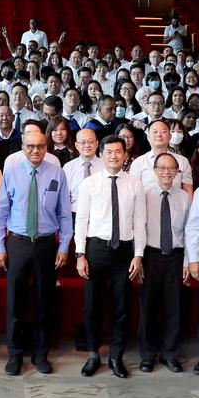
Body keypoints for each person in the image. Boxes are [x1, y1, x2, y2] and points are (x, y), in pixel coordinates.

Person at [0, 130, 73, 376]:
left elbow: (65, 214)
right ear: (23, 148)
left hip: (47, 245)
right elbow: (2, 213)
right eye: (30, 146)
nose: (35, 151)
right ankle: (15, 354)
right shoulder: (12, 172)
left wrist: (64, 246)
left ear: (46, 147)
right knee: (15, 303)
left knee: (43, 301)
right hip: (17, 243)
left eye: (40, 146)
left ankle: (41, 353)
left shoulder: (57, 173)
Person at [74, 135, 146, 379]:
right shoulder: (90, 183)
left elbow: (139, 220)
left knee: (122, 306)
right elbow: (81, 220)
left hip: (124, 251)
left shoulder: (134, 183)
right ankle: (93, 354)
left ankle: (116, 357)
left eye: (118, 151)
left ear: (125, 155)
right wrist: (80, 254)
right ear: (101, 154)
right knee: (91, 305)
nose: (114, 156)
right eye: (109, 152)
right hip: (96, 249)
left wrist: (138, 255)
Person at [136, 152, 191, 374]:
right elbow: (138, 227)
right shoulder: (145, 195)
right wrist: (138, 257)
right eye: (162, 168)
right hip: (150, 256)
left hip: (176, 256)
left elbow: (189, 231)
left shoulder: (185, 197)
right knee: (148, 307)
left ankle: (170, 354)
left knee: (174, 307)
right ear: (155, 171)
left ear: (178, 172)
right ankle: (148, 354)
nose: (167, 172)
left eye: (171, 168)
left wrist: (188, 261)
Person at [129, 120, 194, 196]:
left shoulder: (182, 161)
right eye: (155, 132)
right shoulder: (138, 163)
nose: (159, 135)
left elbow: (188, 190)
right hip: (147, 206)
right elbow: (133, 192)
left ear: (170, 136)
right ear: (148, 137)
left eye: (163, 131)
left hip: (176, 206)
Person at [64, 129, 101, 216]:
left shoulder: (106, 166)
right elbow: (64, 197)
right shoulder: (68, 167)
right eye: (83, 142)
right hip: (74, 214)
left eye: (91, 141)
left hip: (100, 214)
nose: (87, 145)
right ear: (76, 145)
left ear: (97, 143)